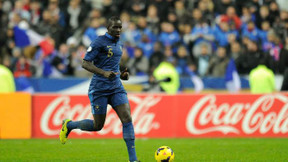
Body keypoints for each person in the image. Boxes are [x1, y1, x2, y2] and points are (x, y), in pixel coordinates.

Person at [59, 16, 139, 162]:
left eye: (120, 27)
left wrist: (123, 75)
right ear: (108, 28)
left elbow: (114, 67)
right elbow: (85, 63)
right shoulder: (99, 42)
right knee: (97, 126)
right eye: (115, 27)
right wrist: (103, 73)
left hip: (116, 87)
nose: (118, 30)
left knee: (127, 118)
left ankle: (133, 160)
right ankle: (69, 125)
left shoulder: (119, 44)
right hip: (99, 89)